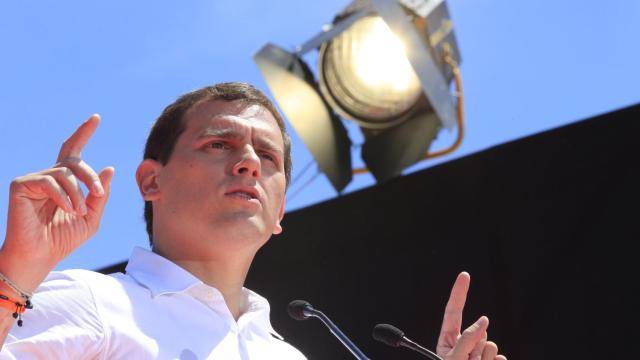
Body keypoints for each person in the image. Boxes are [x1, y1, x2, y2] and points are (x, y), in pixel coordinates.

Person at [0, 83, 506, 359]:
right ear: (151, 181)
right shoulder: (97, 303)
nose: (247, 162)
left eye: (267, 155)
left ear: (279, 210)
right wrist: (15, 270)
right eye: (218, 143)